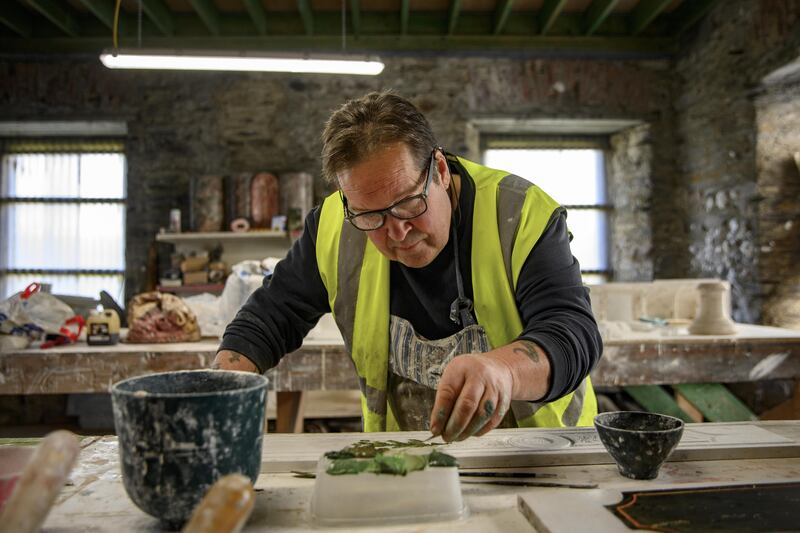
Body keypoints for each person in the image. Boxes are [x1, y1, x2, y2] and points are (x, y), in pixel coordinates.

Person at [214, 91, 602, 442]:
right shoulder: (334, 225)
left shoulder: (520, 214)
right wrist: (219, 387)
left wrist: (503, 370)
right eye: (370, 216)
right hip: (409, 457)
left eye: (408, 203)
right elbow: (272, 314)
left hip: (542, 452)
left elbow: (572, 334)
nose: (397, 231)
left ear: (440, 170)